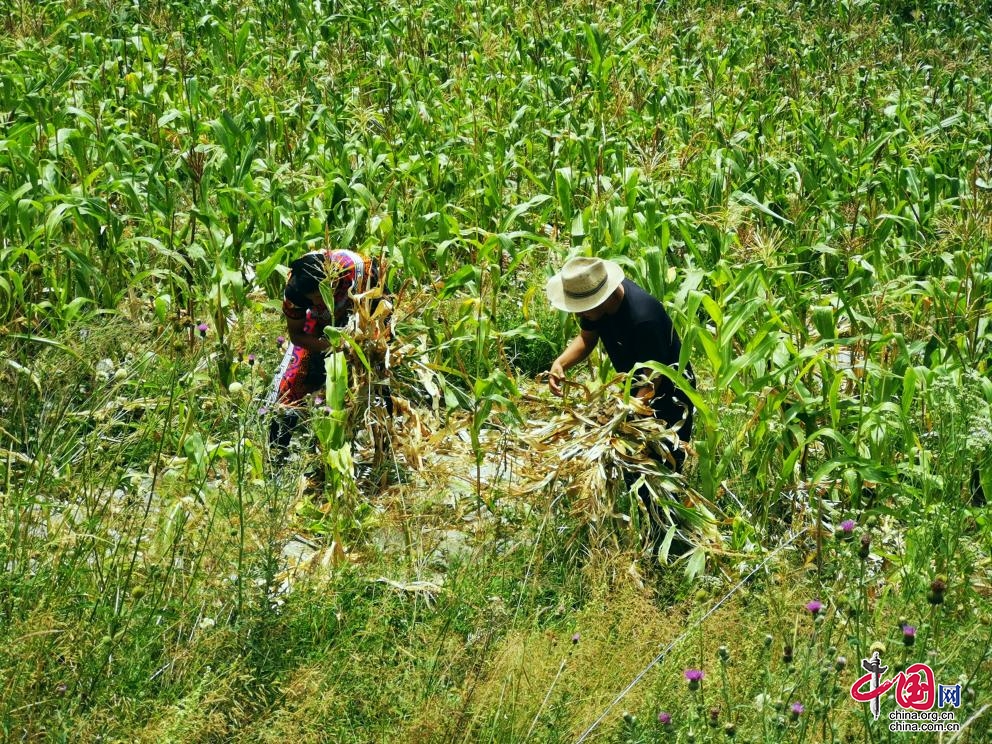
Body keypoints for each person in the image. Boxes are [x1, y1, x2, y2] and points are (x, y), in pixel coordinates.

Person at [546, 255, 695, 553]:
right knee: (633, 469)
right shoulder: (594, 306)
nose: (582, 314)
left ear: (603, 298)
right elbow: (587, 340)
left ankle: (674, 543)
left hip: (669, 397)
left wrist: (621, 418)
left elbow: (654, 382)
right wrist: (561, 362)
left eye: (584, 309)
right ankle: (652, 530)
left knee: (662, 468)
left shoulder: (644, 317)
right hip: (633, 391)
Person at [267, 249, 379, 454]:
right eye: (314, 299)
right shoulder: (295, 293)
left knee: (366, 383)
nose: (319, 302)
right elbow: (297, 335)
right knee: (290, 384)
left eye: (321, 295)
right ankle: (276, 453)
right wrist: (332, 347)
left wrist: (357, 345)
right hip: (319, 326)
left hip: (359, 321)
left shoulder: (357, 269)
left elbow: (375, 311)